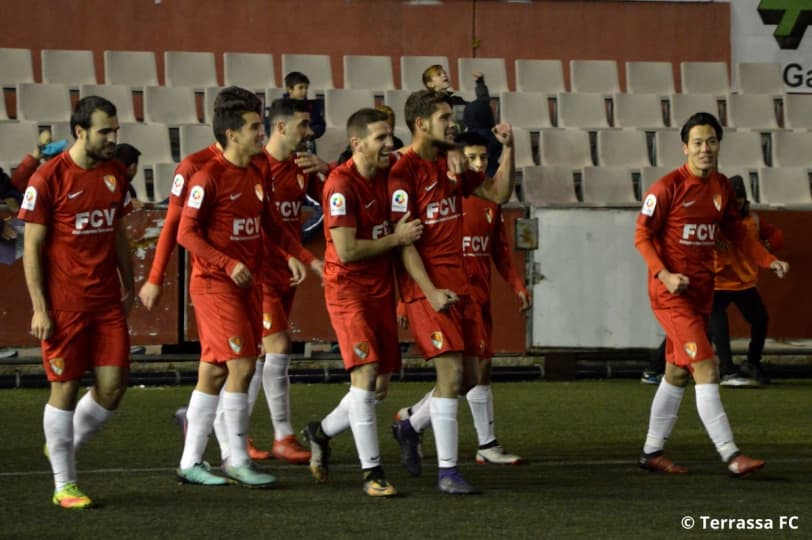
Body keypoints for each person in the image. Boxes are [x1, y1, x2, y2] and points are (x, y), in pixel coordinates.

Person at [634, 112, 789, 477]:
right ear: (685, 147)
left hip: (703, 291)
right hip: (670, 293)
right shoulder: (666, 187)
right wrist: (665, 274)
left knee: (676, 373)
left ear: (719, 145)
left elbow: (736, 234)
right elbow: (642, 236)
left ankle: (651, 453)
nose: (705, 149)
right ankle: (731, 454)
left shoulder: (721, 187)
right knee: (706, 364)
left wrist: (768, 261)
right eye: (698, 142)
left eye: (712, 142)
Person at [175, 86, 309, 487]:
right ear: (232, 134)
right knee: (243, 365)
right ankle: (236, 457)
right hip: (216, 285)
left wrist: (292, 256)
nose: (260, 134)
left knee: (213, 372)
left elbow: (269, 223)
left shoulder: (256, 171)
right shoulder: (207, 177)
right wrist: (227, 262)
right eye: (254, 128)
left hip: (248, 283)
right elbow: (185, 233)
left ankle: (190, 463)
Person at [387, 89, 514, 494]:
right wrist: (429, 290)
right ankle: (447, 471)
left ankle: (411, 423)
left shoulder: (451, 164)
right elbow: (404, 240)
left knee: (472, 376)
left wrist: (510, 149)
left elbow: (496, 194)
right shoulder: (402, 172)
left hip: (460, 284)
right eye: (444, 117)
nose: (452, 123)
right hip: (428, 286)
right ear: (421, 124)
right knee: (452, 372)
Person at [300, 108, 423, 497]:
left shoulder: (389, 177)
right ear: (357, 143)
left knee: (377, 387)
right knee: (366, 374)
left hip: (381, 289)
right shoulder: (340, 186)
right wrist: (398, 239)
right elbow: (348, 250)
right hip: (347, 290)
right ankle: (372, 473)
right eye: (380, 138)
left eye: (390, 136)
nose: (390, 144)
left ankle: (318, 433)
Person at [19, 96, 134, 508]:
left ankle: (63, 443)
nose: (112, 138)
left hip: (106, 300)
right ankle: (64, 484)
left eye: (115, 131)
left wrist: (130, 283)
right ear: (80, 131)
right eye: (105, 131)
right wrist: (39, 307)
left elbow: (119, 230)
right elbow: (31, 247)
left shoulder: (116, 172)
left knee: (113, 387)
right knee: (64, 388)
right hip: (64, 304)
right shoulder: (47, 179)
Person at [252, 97, 327, 464]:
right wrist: (294, 256)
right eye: (303, 125)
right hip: (255, 272)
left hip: (285, 273)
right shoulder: (254, 166)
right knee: (277, 346)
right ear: (280, 127)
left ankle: (213, 421)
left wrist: (327, 169)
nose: (309, 132)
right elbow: (257, 225)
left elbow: (333, 199)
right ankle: (281, 434)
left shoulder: (303, 169)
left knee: (255, 353)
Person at [711, 175, 784, 387]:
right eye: (735, 200)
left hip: (744, 282)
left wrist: (767, 249)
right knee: (714, 326)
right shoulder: (714, 220)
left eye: (741, 200)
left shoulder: (753, 219)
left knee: (760, 319)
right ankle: (726, 369)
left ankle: (751, 362)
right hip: (718, 282)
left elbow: (776, 236)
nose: (738, 204)